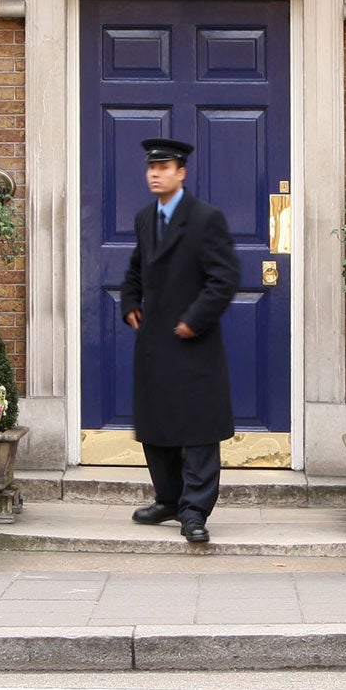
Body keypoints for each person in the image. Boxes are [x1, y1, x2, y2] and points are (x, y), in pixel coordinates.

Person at [120, 137, 239, 545]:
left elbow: (224, 278)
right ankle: (168, 499)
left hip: (193, 341)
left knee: (198, 429)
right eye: (151, 167)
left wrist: (194, 320)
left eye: (164, 167)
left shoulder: (206, 219)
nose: (155, 173)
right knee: (157, 426)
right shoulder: (143, 218)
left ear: (181, 172)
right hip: (154, 340)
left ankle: (194, 511)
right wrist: (130, 301)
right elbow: (136, 267)